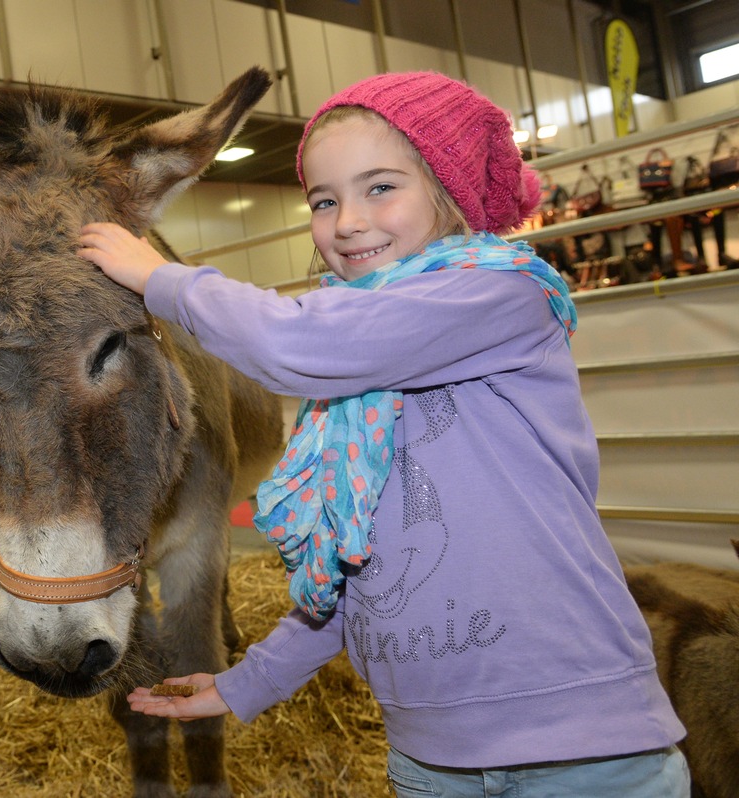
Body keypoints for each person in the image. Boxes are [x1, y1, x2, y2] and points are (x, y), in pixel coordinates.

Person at [78, 72, 689, 796]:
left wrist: (163, 279)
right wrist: (244, 685)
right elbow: (358, 580)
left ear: (450, 190)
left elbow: (303, 344)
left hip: (582, 751)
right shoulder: (347, 405)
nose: (346, 221)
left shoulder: (500, 294)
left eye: (380, 188)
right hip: (428, 759)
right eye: (324, 200)